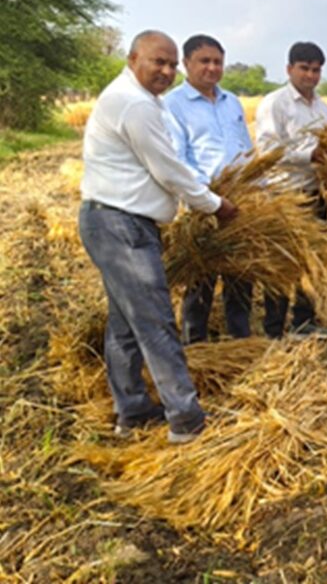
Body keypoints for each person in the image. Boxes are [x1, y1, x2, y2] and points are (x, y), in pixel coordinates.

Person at [79, 30, 238, 444]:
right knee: (155, 321)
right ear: (133, 59)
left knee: (124, 324)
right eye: (158, 62)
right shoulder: (134, 105)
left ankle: (131, 411)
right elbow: (168, 169)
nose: (166, 71)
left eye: (170, 64)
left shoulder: (135, 98)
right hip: (121, 226)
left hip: (114, 221)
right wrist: (215, 205)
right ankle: (186, 420)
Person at [163, 34, 254, 344]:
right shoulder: (173, 104)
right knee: (200, 278)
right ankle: (195, 345)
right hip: (202, 205)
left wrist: (257, 189)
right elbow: (177, 159)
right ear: (186, 64)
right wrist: (210, 198)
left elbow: (246, 149)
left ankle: (241, 342)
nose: (212, 68)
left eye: (218, 62)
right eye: (204, 61)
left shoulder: (232, 101)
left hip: (240, 203)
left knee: (241, 276)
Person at [254, 41, 327, 339]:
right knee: (281, 264)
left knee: (311, 260)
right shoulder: (275, 103)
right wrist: (308, 156)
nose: (310, 76)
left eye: (316, 70)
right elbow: (268, 150)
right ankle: (274, 330)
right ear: (289, 69)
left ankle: (305, 321)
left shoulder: (323, 108)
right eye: (304, 68)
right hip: (283, 194)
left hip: (314, 193)